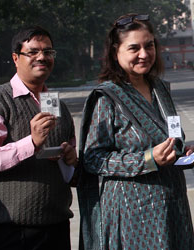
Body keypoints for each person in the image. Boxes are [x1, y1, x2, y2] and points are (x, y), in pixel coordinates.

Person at [77, 13, 194, 250]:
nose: (144, 54)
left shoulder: (160, 88)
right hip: (133, 215)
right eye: (134, 48)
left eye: (149, 45)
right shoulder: (107, 98)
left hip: (171, 206)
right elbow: (93, 159)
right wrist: (148, 159)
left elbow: (173, 136)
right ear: (115, 52)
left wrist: (184, 152)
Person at [0, 25, 77, 250]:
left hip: (57, 225)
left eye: (48, 52)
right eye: (33, 52)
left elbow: (73, 171)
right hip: (11, 230)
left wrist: (70, 160)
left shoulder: (58, 105)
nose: (42, 57)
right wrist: (31, 142)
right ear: (15, 58)